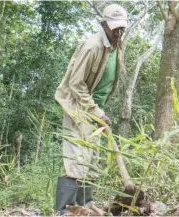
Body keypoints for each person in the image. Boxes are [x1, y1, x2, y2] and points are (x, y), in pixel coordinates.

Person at [53, 4, 128, 215]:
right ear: (104, 24)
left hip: (96, 109)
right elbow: (76, 84)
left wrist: (99, 112)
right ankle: (63, 211)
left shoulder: (117, 45)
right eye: (115, 28)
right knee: (77, 159)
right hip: (78, 106)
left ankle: (85, 207)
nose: (119, 32)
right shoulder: (92, 46)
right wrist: (96, 111)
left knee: (92, 161)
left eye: (122, 28)